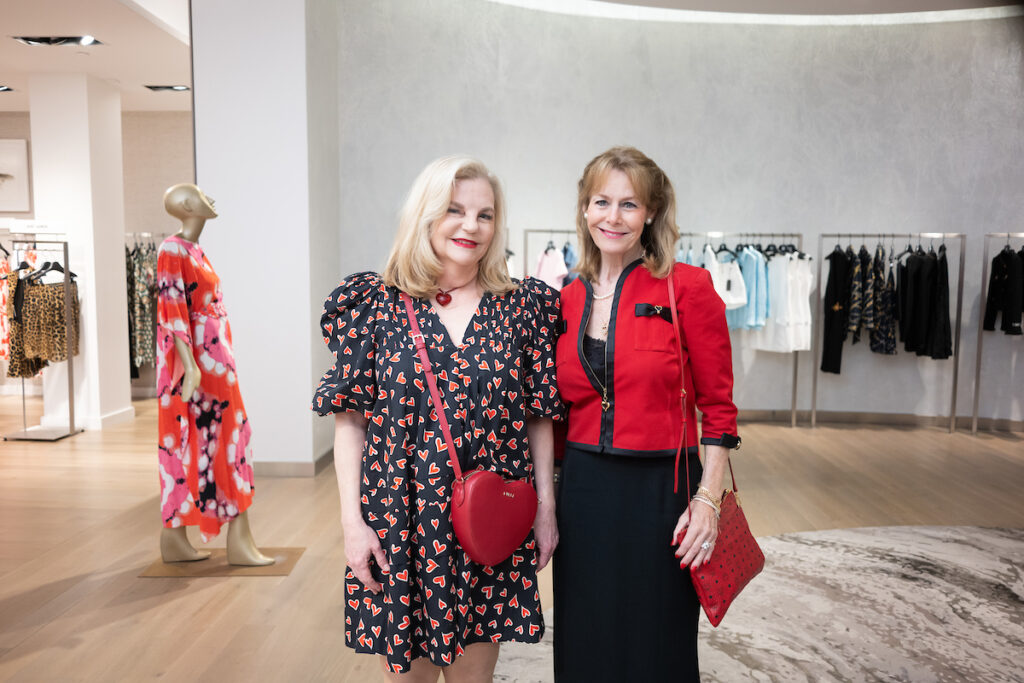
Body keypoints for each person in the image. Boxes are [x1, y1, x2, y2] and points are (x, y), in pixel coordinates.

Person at [312, 156, 562, 681]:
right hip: (402, 522)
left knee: (476, 675)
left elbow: (538, 417)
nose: (471, 225)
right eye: (455, 210)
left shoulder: (522, 308)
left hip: (491, 519)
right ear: (425, 214)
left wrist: (546, 508)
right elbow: (350, 422)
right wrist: (353, 524)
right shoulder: (375, 304)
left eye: (485, 215)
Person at [553, 147, 741, 682]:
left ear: (651, 212)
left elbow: (718, 408)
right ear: (585, 209)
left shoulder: (688, 287)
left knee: (657, 640)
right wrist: (548, 499)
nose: (613, 217)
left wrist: (708, 500)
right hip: (583, 492)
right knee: (584, 633)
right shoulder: (565, 298)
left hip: (663, 490)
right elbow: (554, 412)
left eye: (629, 204)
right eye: (601, 202)